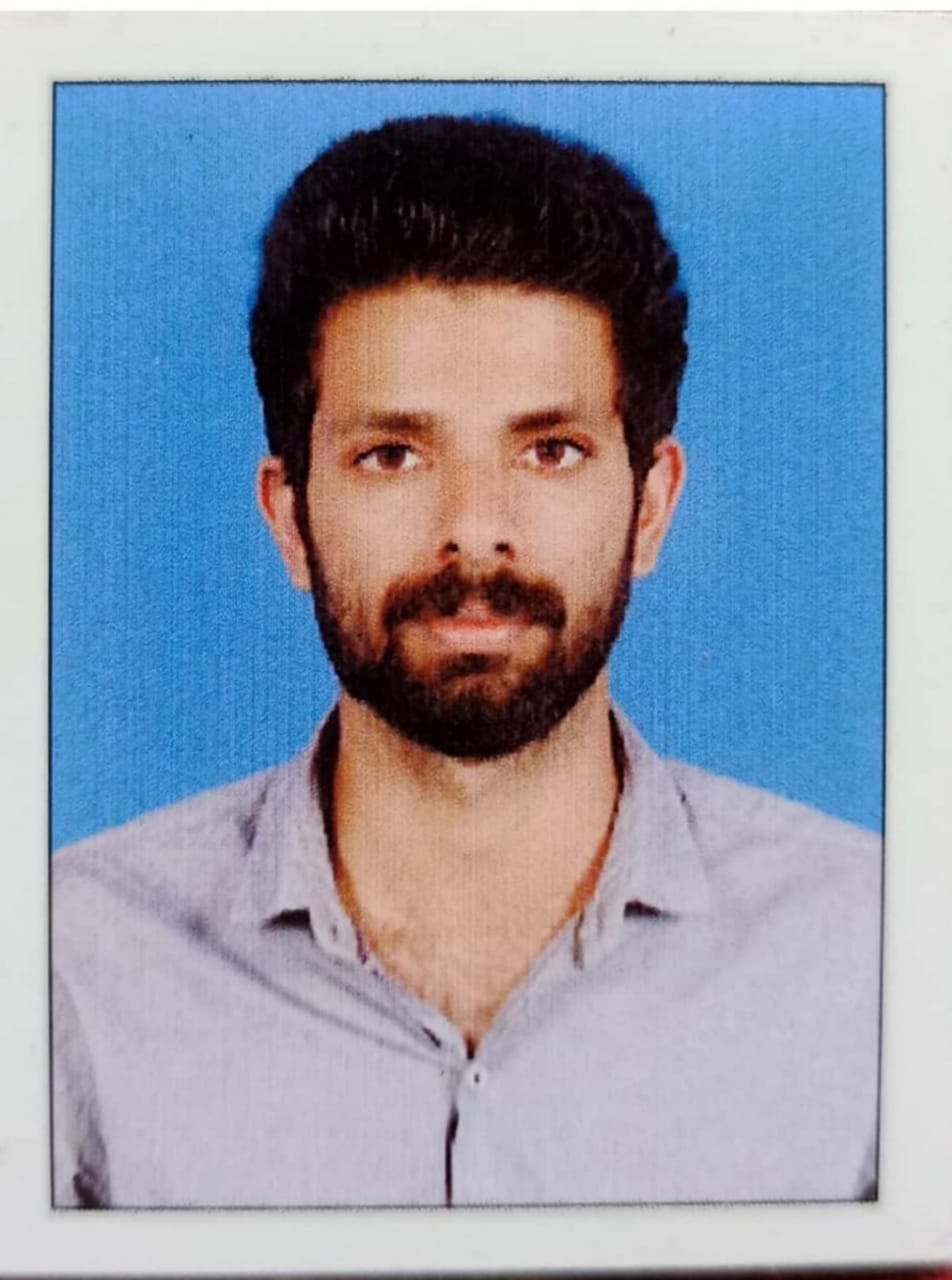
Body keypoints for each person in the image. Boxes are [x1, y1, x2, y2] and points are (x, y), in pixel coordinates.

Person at [52, 115, 881, 1209]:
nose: (476, 533)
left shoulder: (877, 956)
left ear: (650, 506)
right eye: (393, 454)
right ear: (291, 519)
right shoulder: (71, 964)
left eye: (551, 450)